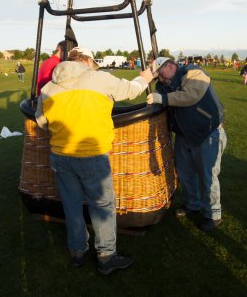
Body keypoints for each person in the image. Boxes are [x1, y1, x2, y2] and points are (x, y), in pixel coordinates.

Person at [35, 46, 152, 274]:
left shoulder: (49, 88)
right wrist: (145, 78)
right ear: (88, 61)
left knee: (71, 204)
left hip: (60, 156)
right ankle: (106, 256)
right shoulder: (98, 79)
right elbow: (130, 90)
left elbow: (41, 121)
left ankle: (77, 251)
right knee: (103, 206)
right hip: (92, 155)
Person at [146, 57, 227, 232]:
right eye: (157, 76)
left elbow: (190, 96)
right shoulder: (164, 86)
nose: (160, 79)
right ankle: (192, 205)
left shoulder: (194, 72)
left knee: (208, 175)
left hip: (208, 132)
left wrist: (162, 98)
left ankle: (213, 214)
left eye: (160, 73)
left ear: (171, 65)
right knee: (184, 174)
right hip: (184, 136)